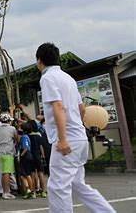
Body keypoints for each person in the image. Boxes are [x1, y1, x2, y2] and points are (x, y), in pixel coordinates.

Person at [36, 42, 116, 212]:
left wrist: (63, 138)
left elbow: (57, 106)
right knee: (77, 184)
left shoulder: (48, 78)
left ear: (39, 61)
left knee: (58, 187)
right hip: (80, 138)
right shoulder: (68, 78)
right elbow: (81, 109)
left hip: (67, 140)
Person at [0, 113, 17, 200]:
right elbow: (16, 138)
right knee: (7, 173)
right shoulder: (12, 129)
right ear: (8, 121)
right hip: (8, 152)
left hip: (0, 152)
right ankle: (6, 192)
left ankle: (4, 191)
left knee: (4, 172)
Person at [28, 120, 47, 197]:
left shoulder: (27, 136)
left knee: (32, 174)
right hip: (38, 156)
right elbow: (41, 147)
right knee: (40, 173)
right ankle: (44, 191)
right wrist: (43, 156)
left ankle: (34, 191)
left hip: (30, 156)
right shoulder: (38, 136)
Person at [19, 122, 36, 199]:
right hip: (28, 156)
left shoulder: (24, 137)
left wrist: (21, 155)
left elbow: (26, 147)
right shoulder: (25, 136)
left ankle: (31, 190)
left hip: (25, 156)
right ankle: (28, 189)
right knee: (23, 175)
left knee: (26, 174)